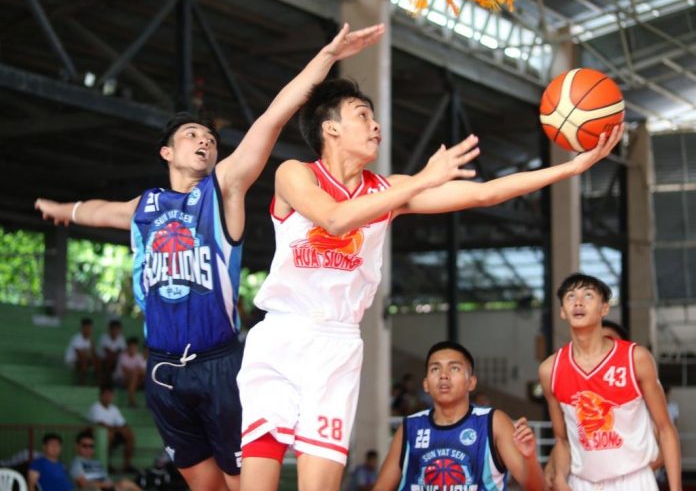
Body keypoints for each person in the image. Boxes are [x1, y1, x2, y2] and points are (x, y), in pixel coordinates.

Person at [35, 22, 384, 491]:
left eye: (210, 139)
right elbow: (100, 211)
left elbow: (271, 119)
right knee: (204, 487)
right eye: (193, 136)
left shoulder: (222, 189)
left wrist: (326, 57)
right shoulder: (147, 207)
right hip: (162, 369)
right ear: (166, 151)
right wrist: (63, 209)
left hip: (218, 364)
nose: (205, 142)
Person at [236, 77, 622, 491]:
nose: (375, 126)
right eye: (363, 116)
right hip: (283, 334)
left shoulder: (388, 190)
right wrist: (423, 178)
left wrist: (573, 168)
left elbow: (484, 194)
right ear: (330, 128)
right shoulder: (295, 174)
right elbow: (333, 218)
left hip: (338, 345)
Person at [539, 273, 681, 490]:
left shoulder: (636, 358)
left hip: (634, 480)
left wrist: (675, 488)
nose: (578, 301)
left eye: (588, 295)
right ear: (562, 311)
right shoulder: (550, 370)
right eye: (570, 296)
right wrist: (560, 477)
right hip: (582, 483)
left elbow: (665, 428)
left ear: (604, 308)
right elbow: (562, 440)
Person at [373, 341, 544, 490]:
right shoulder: (410, 427)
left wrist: (530, 458)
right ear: (426, 384)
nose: (444, 375)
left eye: (454, 368)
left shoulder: (493, 422)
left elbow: (536, 488)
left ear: (471, 382)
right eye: (435, 369)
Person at [70, 430, 141, 491]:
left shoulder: (96, 463)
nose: (88, 449)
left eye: (91, 446)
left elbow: (108, 481)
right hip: (93, 489)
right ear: (77, 446)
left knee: (126, 483)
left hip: (107, 489)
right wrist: (104, 485)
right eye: (85, 446)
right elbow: (83, 484)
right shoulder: (77, 463)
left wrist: (114, 486)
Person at [87, 385, 137, 473]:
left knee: (129, 434)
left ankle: (127, 465)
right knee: (108, 434)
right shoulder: (95, 407)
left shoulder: (114, 409)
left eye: (110, 395)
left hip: (113, 432)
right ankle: (106, 464)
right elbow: (101, 424)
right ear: (101, 395)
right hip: (96, 435)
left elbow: (123, 424)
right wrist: (115, 429)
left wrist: (120, 429)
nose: (108, 397)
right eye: (106, 395)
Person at [65, 317, 100, 385]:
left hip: (83, 360)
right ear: (82, 328)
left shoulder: (89, 341)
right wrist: (90, 356)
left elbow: (93, 354)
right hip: (71, 361)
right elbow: (80, 355)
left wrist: (92, 346)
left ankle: (97, 383)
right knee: (84, 361)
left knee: (98, 361)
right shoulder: (77, 338)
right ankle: (81, 383)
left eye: (90, 328)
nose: (88, 330)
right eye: (86, 328)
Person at [113, 336, 146, 407]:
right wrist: (137, 372)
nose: (132, 349)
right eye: (131, 347)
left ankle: (134, 401)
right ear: (128, 347)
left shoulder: (139, 356)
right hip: (121, 380)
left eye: (134, 347)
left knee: (146, 378)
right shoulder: (122, 356)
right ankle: (132, 401)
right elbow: (126, 372)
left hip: (135, 380)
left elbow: (143, 371)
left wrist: (137, 372)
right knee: (135, 375)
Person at [98, 319, 127, 384]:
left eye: (117, 329)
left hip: (115, 362)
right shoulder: (104, 337)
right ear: (109, 330)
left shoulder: (121, 338)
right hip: (103, 361)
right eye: (113, 329)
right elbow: (108, 352)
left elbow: (121, 351)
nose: (115, 331)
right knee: (110, 359)